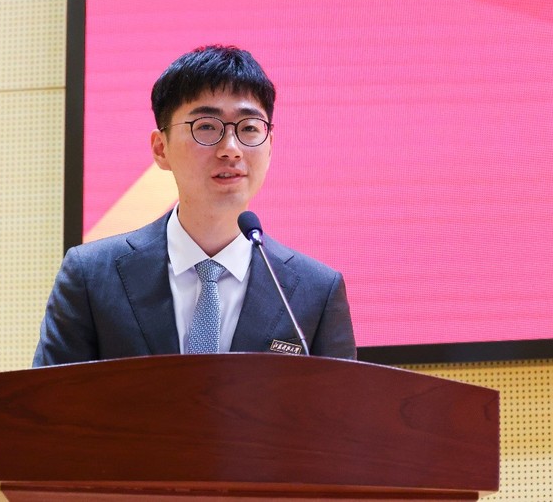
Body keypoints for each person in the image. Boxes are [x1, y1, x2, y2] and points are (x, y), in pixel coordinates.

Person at [33, 45, 355, 366]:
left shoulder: (316, 292)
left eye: (249, 128)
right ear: (161, 149)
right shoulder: (91, 276)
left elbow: (342, 400)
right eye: (206, 127)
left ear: (269, 146)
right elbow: (50, 397)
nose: (231, 149)